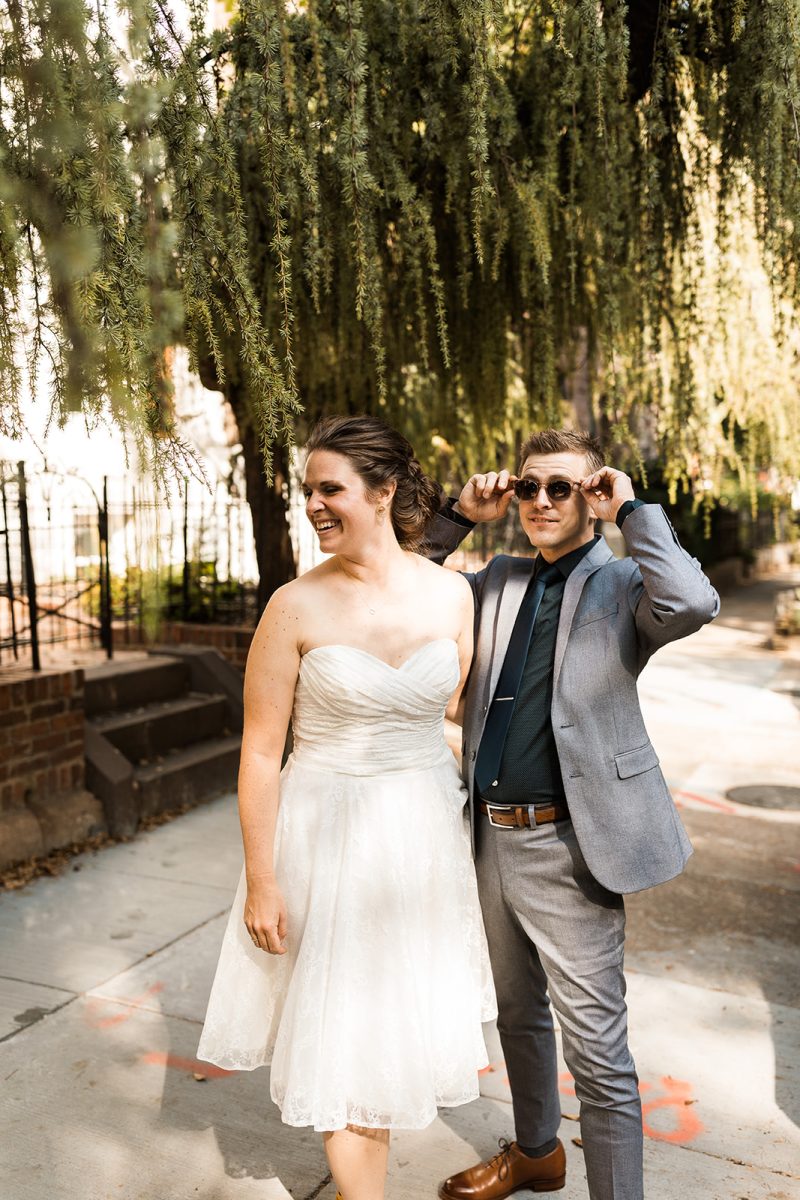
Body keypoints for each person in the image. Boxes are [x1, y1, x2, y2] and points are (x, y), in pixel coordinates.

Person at [198, 415, 496, 1200]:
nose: (314, 505)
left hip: (422, 839)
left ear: (385, 490)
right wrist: (262, 879)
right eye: (308, 491)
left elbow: (462, 716)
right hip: (325, 838)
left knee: (389, 1027)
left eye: (330, 489)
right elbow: (261, 753)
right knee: (343, 1036)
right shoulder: (293, 607)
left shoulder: (452, 596)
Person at [426, 428, 719, 1200]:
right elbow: (401, 592)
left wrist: (631, 509)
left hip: (571, 841)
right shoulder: (494, 579)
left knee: (598, 1052)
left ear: (590, 497)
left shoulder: (624, 584)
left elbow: (692, 600)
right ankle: (534, 1153)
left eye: (563, 487)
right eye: (530, 487)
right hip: (489, 837)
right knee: (516, 1013)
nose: (542, 501)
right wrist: (457, 516)